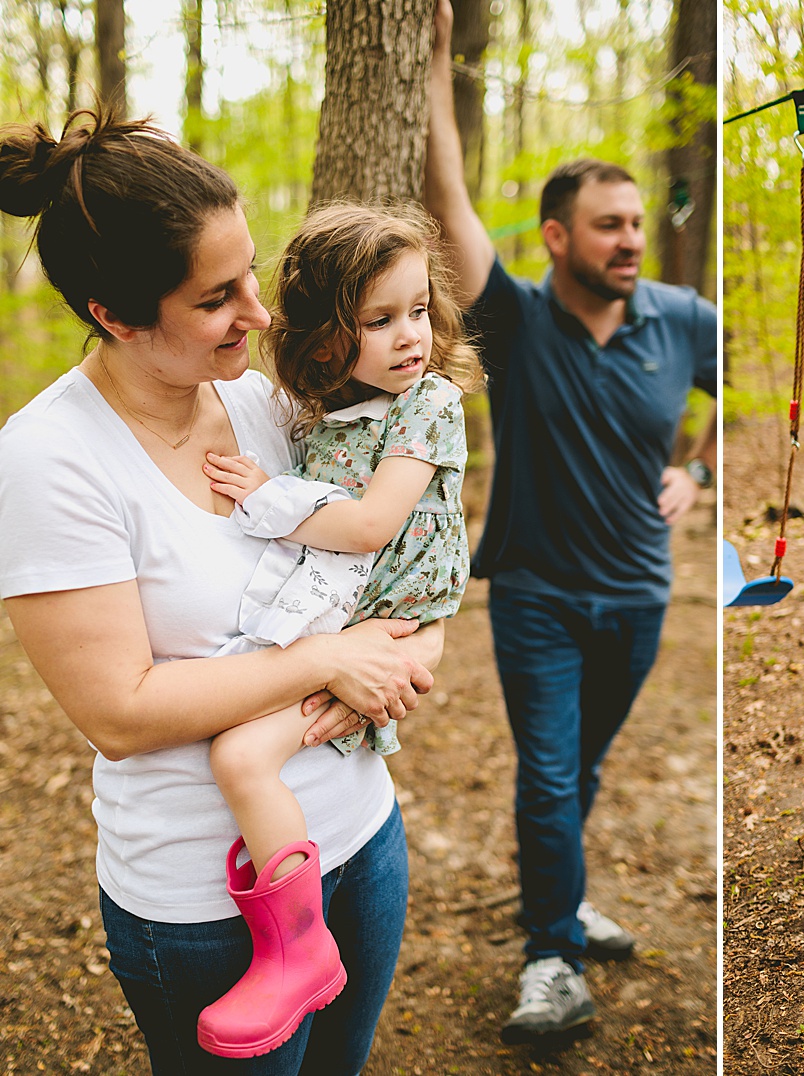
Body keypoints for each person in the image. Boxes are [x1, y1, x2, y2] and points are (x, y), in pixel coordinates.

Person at [0, 110, 441, 1075]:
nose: (259, 312)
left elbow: (392, 543)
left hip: (361, 838)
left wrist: (415, 645)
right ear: (114, 314)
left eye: (252, 274)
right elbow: (121, 709)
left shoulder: (270, 396)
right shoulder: (48, 460)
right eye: (216, 298)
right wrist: (330, 659)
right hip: (204, 902)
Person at [424, 0, 718, 1044]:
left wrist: (699, 470)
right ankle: (550, 952)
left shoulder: (683, 320)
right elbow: (446, 193)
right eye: (610, 224)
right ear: (557, 237)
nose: (632, 239)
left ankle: (563, 892)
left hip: (639, 595)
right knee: (549, 773)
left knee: (580, 770)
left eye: (638, 222)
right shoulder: (512, 315)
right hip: (538, 592)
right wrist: (438, 61)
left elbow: (755, 388)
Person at [190, 203, 483, 1057]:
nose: (411, 336)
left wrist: (261, 497)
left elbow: (367, 527)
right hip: (343, 626)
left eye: (420, 311)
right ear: (325, 340)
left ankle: (295, 946)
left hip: (384, 619)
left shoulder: (427, 404)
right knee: (245, 748)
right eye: (379, 320)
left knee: (241, 754)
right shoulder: (318, 415)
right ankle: (297, 939)